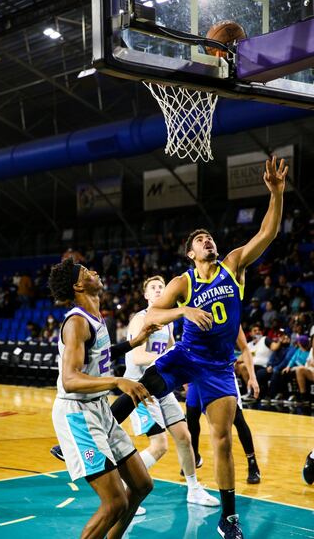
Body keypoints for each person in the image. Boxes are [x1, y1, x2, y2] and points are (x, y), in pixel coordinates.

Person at [111, 156, 288, 539]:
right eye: (199, 239)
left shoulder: (233, 266)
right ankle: (99, 430)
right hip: (187, 356)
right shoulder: (182, 280)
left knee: (222, 440)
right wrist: (184, 310)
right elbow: (153, 315)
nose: (208, 240)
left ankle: (229, 519)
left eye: (209, 237)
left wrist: (276, 195)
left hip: (220, 367)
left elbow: (266, 234)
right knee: (143, 383)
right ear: (191, 253)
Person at [49, 258, 159, 539]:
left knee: (141, 485)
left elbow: (101, 354)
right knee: (114, 502)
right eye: (87, 272)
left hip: (100, 410)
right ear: (77, 284)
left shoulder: (96, 317)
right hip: (78, 413)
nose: (95, 272)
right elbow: (70, 379)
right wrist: (118, 380)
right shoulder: (76, 322)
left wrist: (133, 343)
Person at [124, 275, 219, 507]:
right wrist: (166, 358)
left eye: (161, 287)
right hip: (140, 388)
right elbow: (137, 357)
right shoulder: (141, 319)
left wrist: (184, 377)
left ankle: (194, 489)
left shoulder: (168, 321)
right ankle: (125, 492)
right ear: (146, 295)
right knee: (159, 446)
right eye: (153, 288)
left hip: (161, 386)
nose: (158, 290)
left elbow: (172, 353)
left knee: (185, 438)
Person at [186, 326, 261, 485]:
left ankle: (252, 463)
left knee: (238, 420)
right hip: (198, 373)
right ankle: (195, 457)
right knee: (191, 417)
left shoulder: (230, 315)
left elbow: (245, 348)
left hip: (222, 375)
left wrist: (252, 377)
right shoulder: (196, 314)